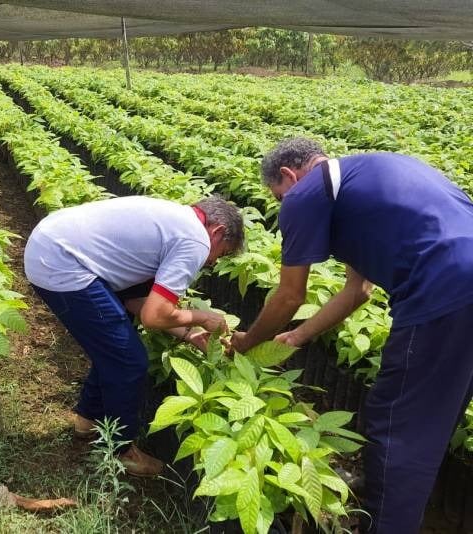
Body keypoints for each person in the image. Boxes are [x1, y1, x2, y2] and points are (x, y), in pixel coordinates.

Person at [230, 137, 473, 533]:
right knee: (437, 410)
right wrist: (299, 336)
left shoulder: (305, 194)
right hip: (460, 280)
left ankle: (387, 521)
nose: (282, 207)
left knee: (397, 423)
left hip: (445, 287)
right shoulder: (362, 180)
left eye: (278, 198)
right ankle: (392, 494)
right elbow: (357, 291)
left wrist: (247, 341)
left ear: (291, 175)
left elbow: (291, 294)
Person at [24, 195, 245, 476]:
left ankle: (86, 421)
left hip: (53, 244)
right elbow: (154, 316)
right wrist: (202, 317)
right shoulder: (196, 241)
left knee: (114, 344)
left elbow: (136, 303)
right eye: (221, 253)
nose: (212, 262)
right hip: (61, 263)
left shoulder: (175, 220)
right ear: (217, 232)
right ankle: (120, 452)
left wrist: (189, 333)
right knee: (128, 360)